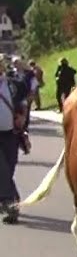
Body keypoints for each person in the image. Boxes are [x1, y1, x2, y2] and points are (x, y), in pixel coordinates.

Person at [1, 61, 29, 224]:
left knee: (9, 167)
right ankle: (10, 204)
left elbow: (23, 102)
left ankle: (11, 198)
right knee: (2, 169)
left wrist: (22, 116)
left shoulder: (13, 85)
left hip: (11, 134)